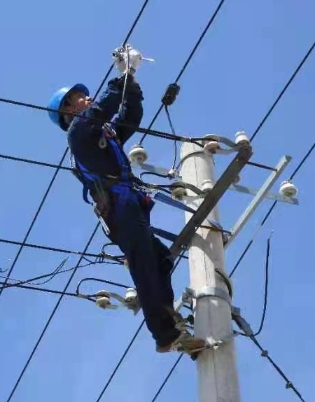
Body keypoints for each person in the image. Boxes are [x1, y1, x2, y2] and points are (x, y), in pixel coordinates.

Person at [46, 46, 205, 354]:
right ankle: (165, 334)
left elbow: (130, 116)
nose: (86, 98)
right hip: (120, 211)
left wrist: (131, 81)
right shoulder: (78, 133)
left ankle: (170, 322)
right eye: (78, 98)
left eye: (84, 95)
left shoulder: (101, 133)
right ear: (67, 112)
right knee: (144, 265)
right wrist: (125, 74)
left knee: (159, 260)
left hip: (130, 206)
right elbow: (103, 108)